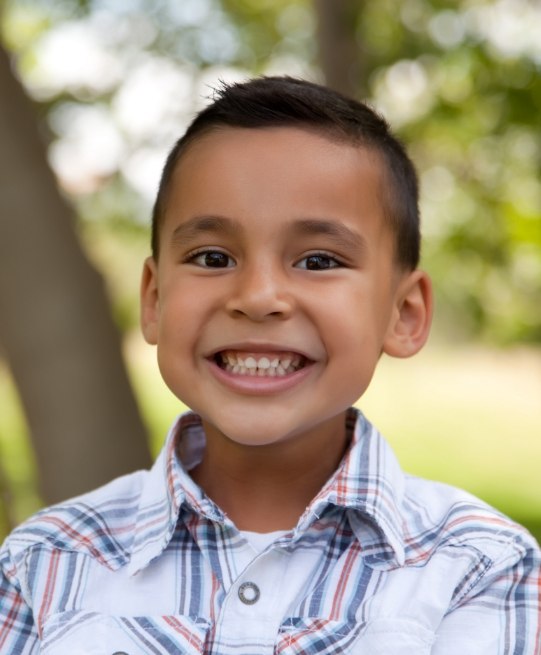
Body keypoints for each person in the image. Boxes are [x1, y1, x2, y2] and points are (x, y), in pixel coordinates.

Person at [1, 76, 539, 655]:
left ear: (403, 313)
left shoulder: (479, 566)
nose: (258, 297)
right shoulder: (45, 562)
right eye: (212, 257)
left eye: (317, 260)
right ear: (154, 300)